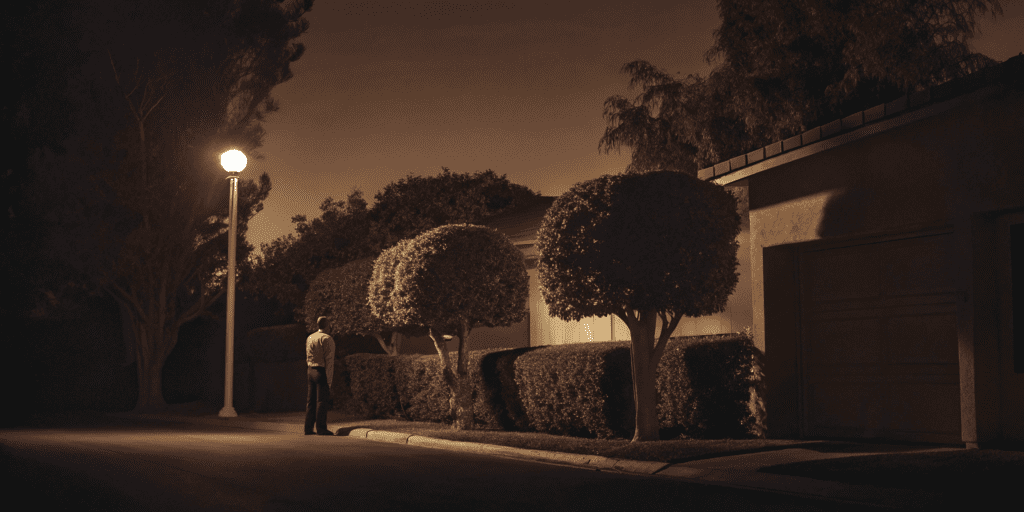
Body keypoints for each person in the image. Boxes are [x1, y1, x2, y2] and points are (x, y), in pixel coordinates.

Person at [305, 316, 335, 435]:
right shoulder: (327, 339)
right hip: (321, 370)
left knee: (310, 400)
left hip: (310, 369)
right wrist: (329, 380)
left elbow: (308, 355)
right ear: (327, 325)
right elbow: (329, 361)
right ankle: (321, 428)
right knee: (321, 401)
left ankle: (308, 428)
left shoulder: (310, 337)